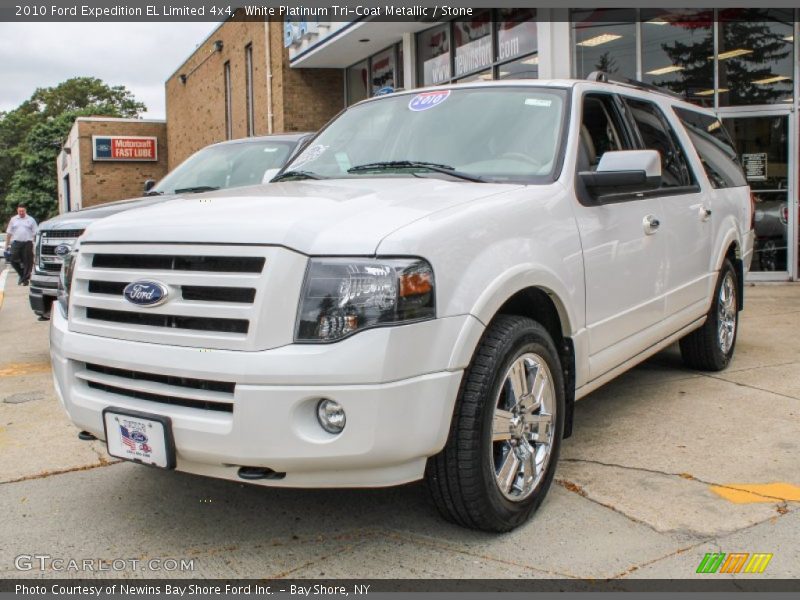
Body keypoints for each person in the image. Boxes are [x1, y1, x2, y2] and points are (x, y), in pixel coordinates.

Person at [5, 203, 38, 286]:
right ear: (17, 211)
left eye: (23, 211)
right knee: (12, 259)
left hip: (27, 243)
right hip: (16, 243)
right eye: (20, 211)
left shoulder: (31, 220)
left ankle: (24, 279)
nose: (21, 212)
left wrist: (34, 244)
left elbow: (35, 233)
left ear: (25, 210)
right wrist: (6, 246)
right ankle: (22, 275)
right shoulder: (13, 219)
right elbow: (9, 233)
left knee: (28, 262)